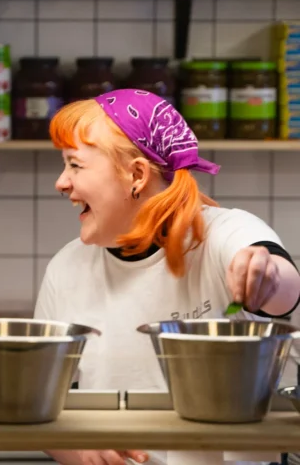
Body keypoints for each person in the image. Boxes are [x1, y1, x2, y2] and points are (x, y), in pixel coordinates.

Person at [35, 90, 300, 465]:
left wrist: (266, 275)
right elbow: (42, 407)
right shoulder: (66, 268)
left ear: (137, 175)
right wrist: (82, 450)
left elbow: (283, 291)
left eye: (75, 165)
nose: (61, 183)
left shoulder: (222, 233)